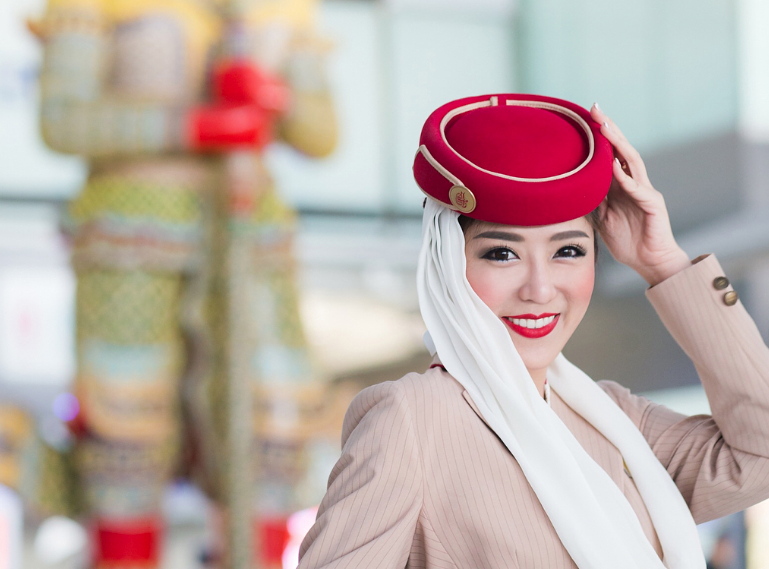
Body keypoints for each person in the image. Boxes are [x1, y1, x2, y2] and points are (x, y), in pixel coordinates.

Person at [296, 94, 769, 569]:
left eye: (568, 251)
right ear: (447, 262)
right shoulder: (412, 421)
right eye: (502, 253)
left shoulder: (614, 421)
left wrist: (664, 264)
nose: (540, 289)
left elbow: (760, 454)